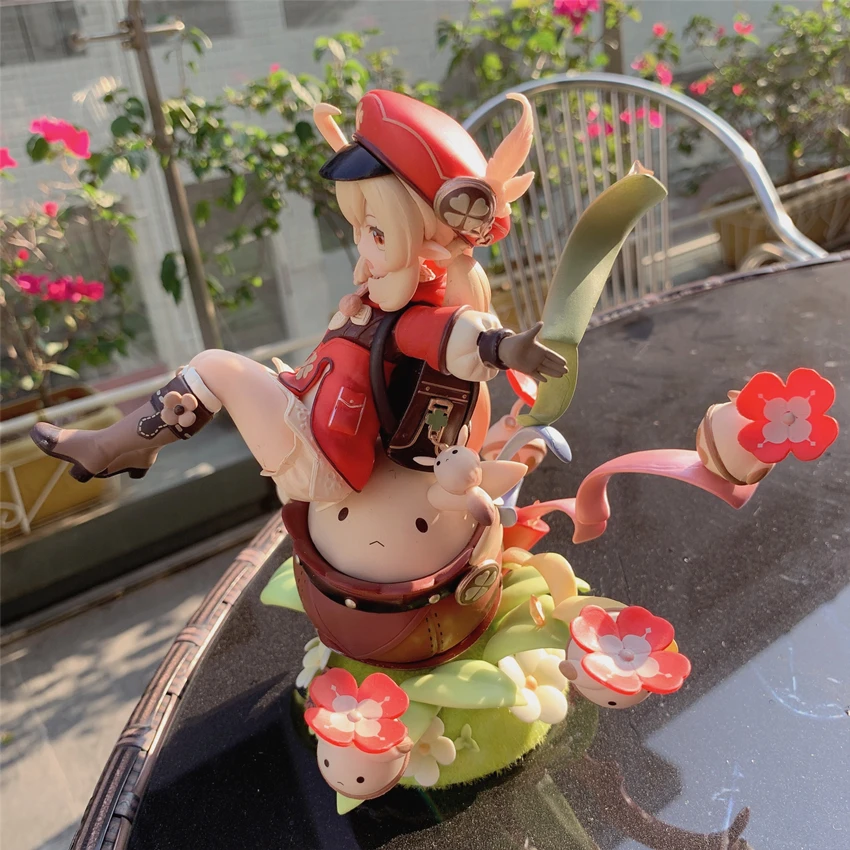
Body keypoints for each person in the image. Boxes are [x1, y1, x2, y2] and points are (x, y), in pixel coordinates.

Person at [30, 90, 566, 505]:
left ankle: (114, 445)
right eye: (359, 228)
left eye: (377, 232)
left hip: (327, 451)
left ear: (428, 244)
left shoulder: (413, 313)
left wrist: (502, 347)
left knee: (215, 366)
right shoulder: (384, 298)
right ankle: (131, 445)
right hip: (320, 419)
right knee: (220, 374)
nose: (363, 245)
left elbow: (454, 336)